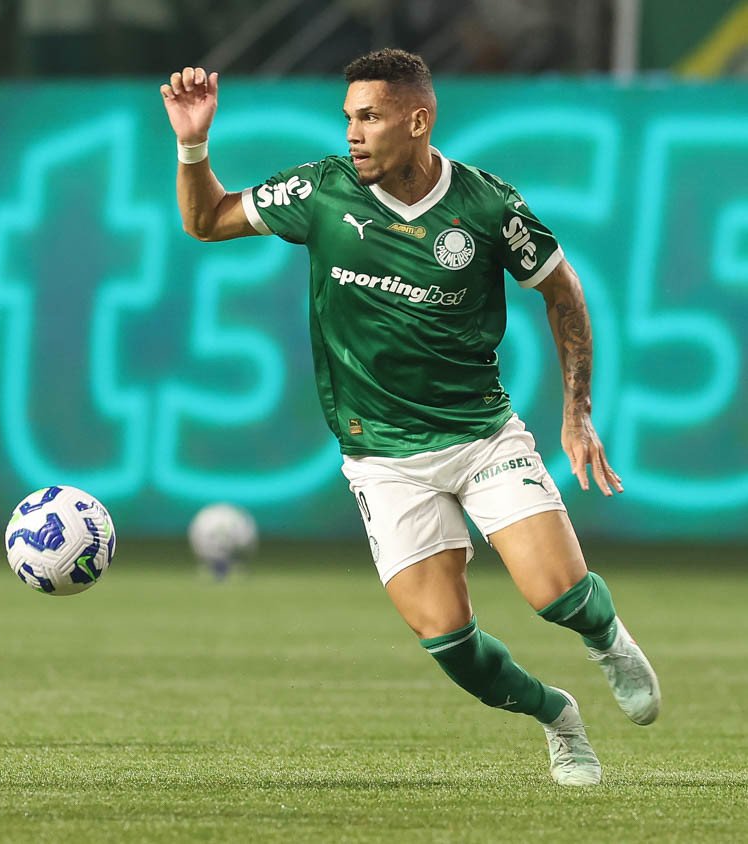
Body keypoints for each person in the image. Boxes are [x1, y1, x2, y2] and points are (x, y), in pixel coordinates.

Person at [161, 49, 660, 786]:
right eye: (348, 118)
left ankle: (608, 640)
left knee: (556, 594)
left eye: (369, 117)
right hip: (382, 457)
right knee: (448, 641)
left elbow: (563, 291)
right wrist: (193, 142)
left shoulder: (487, 207)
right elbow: (206, 220)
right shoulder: (322, 192)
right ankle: (558, 717)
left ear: (417, 120)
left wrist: (576, 412)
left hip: (482, 437)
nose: (353, 133)